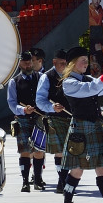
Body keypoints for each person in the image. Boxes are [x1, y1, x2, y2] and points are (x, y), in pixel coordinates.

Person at [58, 47, 103, 203]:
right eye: (82, 60)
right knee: (77, 170)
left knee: (102, 167)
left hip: (95, 126)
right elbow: (91, 89)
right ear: (72, 63)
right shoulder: (69, 82)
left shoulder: (89, 78)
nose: (86, 63)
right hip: (81, 129)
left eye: (86, 59)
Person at [7, 51, 45, 192]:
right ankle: (25, 181)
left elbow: (45, 96)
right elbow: (11, 103)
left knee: (39, 150)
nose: (28, 64)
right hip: (23, 119)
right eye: (24, 62)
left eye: (29, 62)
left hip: (39, 119)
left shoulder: (41, 77)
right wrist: (23, 110)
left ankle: (38, 179)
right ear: (19, 64)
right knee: (24, 151)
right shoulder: (14, 82)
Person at [35, 48, 71, 192]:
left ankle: (63, 180)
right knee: (61, 151)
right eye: (62, 63)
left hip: (70, 117)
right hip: (55, 118)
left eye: (67, 63)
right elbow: (39, 100)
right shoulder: (46, 77)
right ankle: (62, 182)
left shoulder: (72, 75)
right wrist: (51, 107)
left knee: (69, 151)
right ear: (54, 62)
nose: (65, 66)